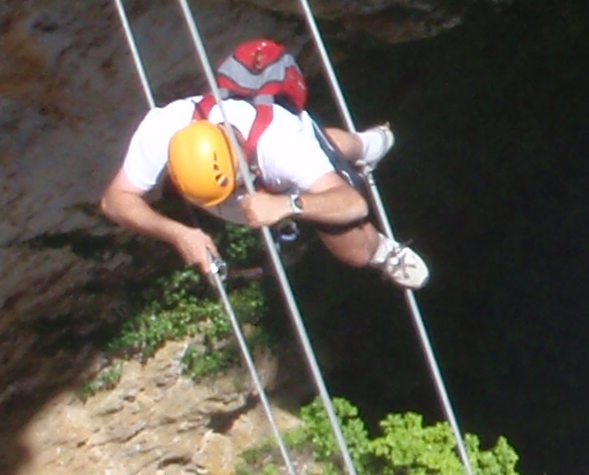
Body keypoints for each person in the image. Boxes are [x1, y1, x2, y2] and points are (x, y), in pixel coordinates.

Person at [96, 38, 430, 291]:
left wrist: (287, 205)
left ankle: (382, 231)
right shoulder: (165, 127)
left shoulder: (282, 146)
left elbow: (353, 204)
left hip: (286, 177)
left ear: (242, 156)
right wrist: (179, 234)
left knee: (354, 251)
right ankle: (357, 147)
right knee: (324, 151)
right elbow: (116, 200)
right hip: (287, 163)